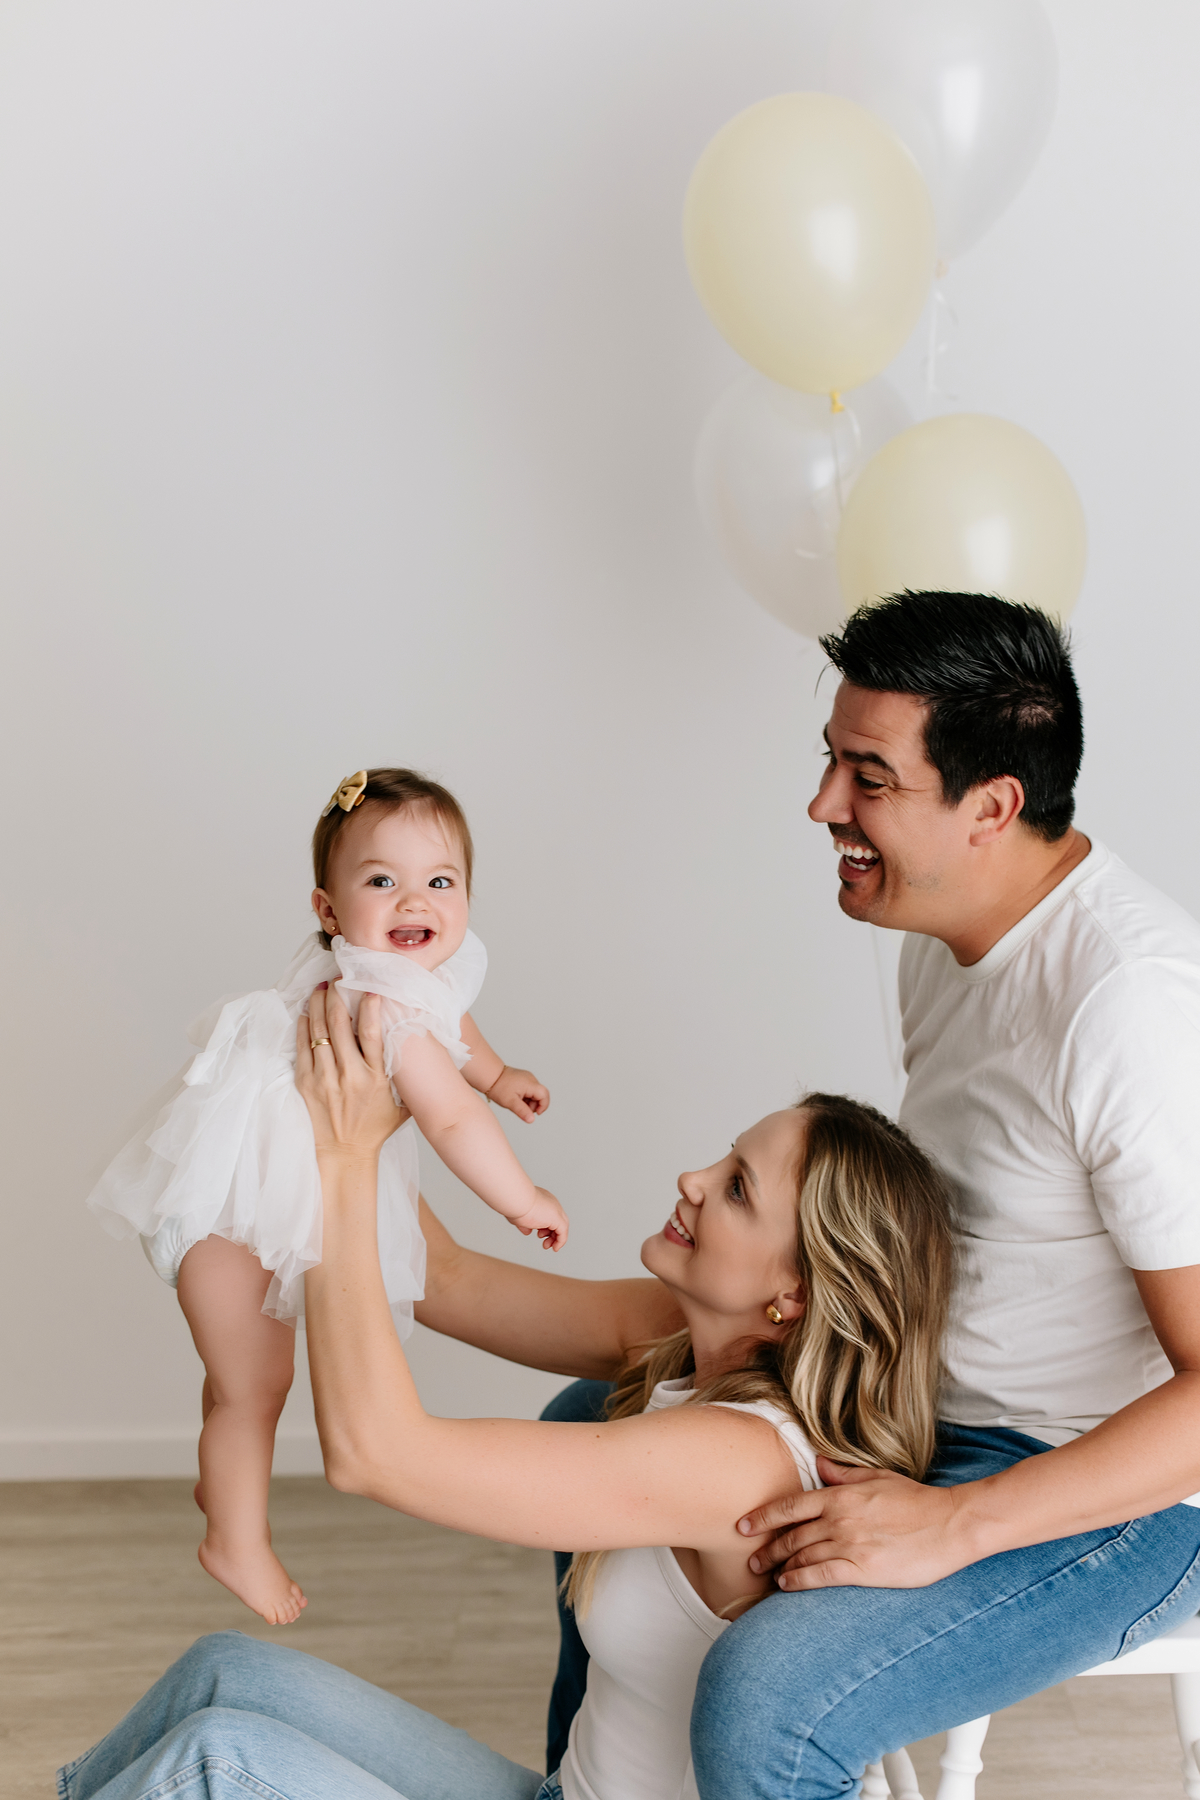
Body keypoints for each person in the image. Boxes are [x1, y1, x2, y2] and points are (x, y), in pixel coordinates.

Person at [545, 591, 1200, 1798]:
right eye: (830, 762)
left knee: (772, 1703)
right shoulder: (940, 943)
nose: (823, 806)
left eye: (869, 778)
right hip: (924, 1409)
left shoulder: (1130, 1009)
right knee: (594, 1424)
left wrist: (958, 1522)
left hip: (1125, 1492)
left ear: (990, 807)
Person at [58, 981, 957, 1800]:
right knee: (223, 1673)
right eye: (724, 1158)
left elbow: (378, 1455)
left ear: (792, 1294)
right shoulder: (688, 1341)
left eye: (736, 1189)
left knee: (215, 1759)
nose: (692, 1181)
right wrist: (324, 1090)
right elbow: (444, 1278)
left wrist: (342, 1158)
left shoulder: (740, 1460)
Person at [87, 766, 565, 1626]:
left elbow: (455, 1027)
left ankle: (223, 1483)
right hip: (236, 1216)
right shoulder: (381, 1001)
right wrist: (522, 1199)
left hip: (230, 1196)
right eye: (382, 881)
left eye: (440, 881)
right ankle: (235, 1539)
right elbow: (450, 1119)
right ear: (329, 909)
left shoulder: (399, 977)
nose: (414, 900)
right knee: (254, 1386)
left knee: (238, 1383)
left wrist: (497, 1076)